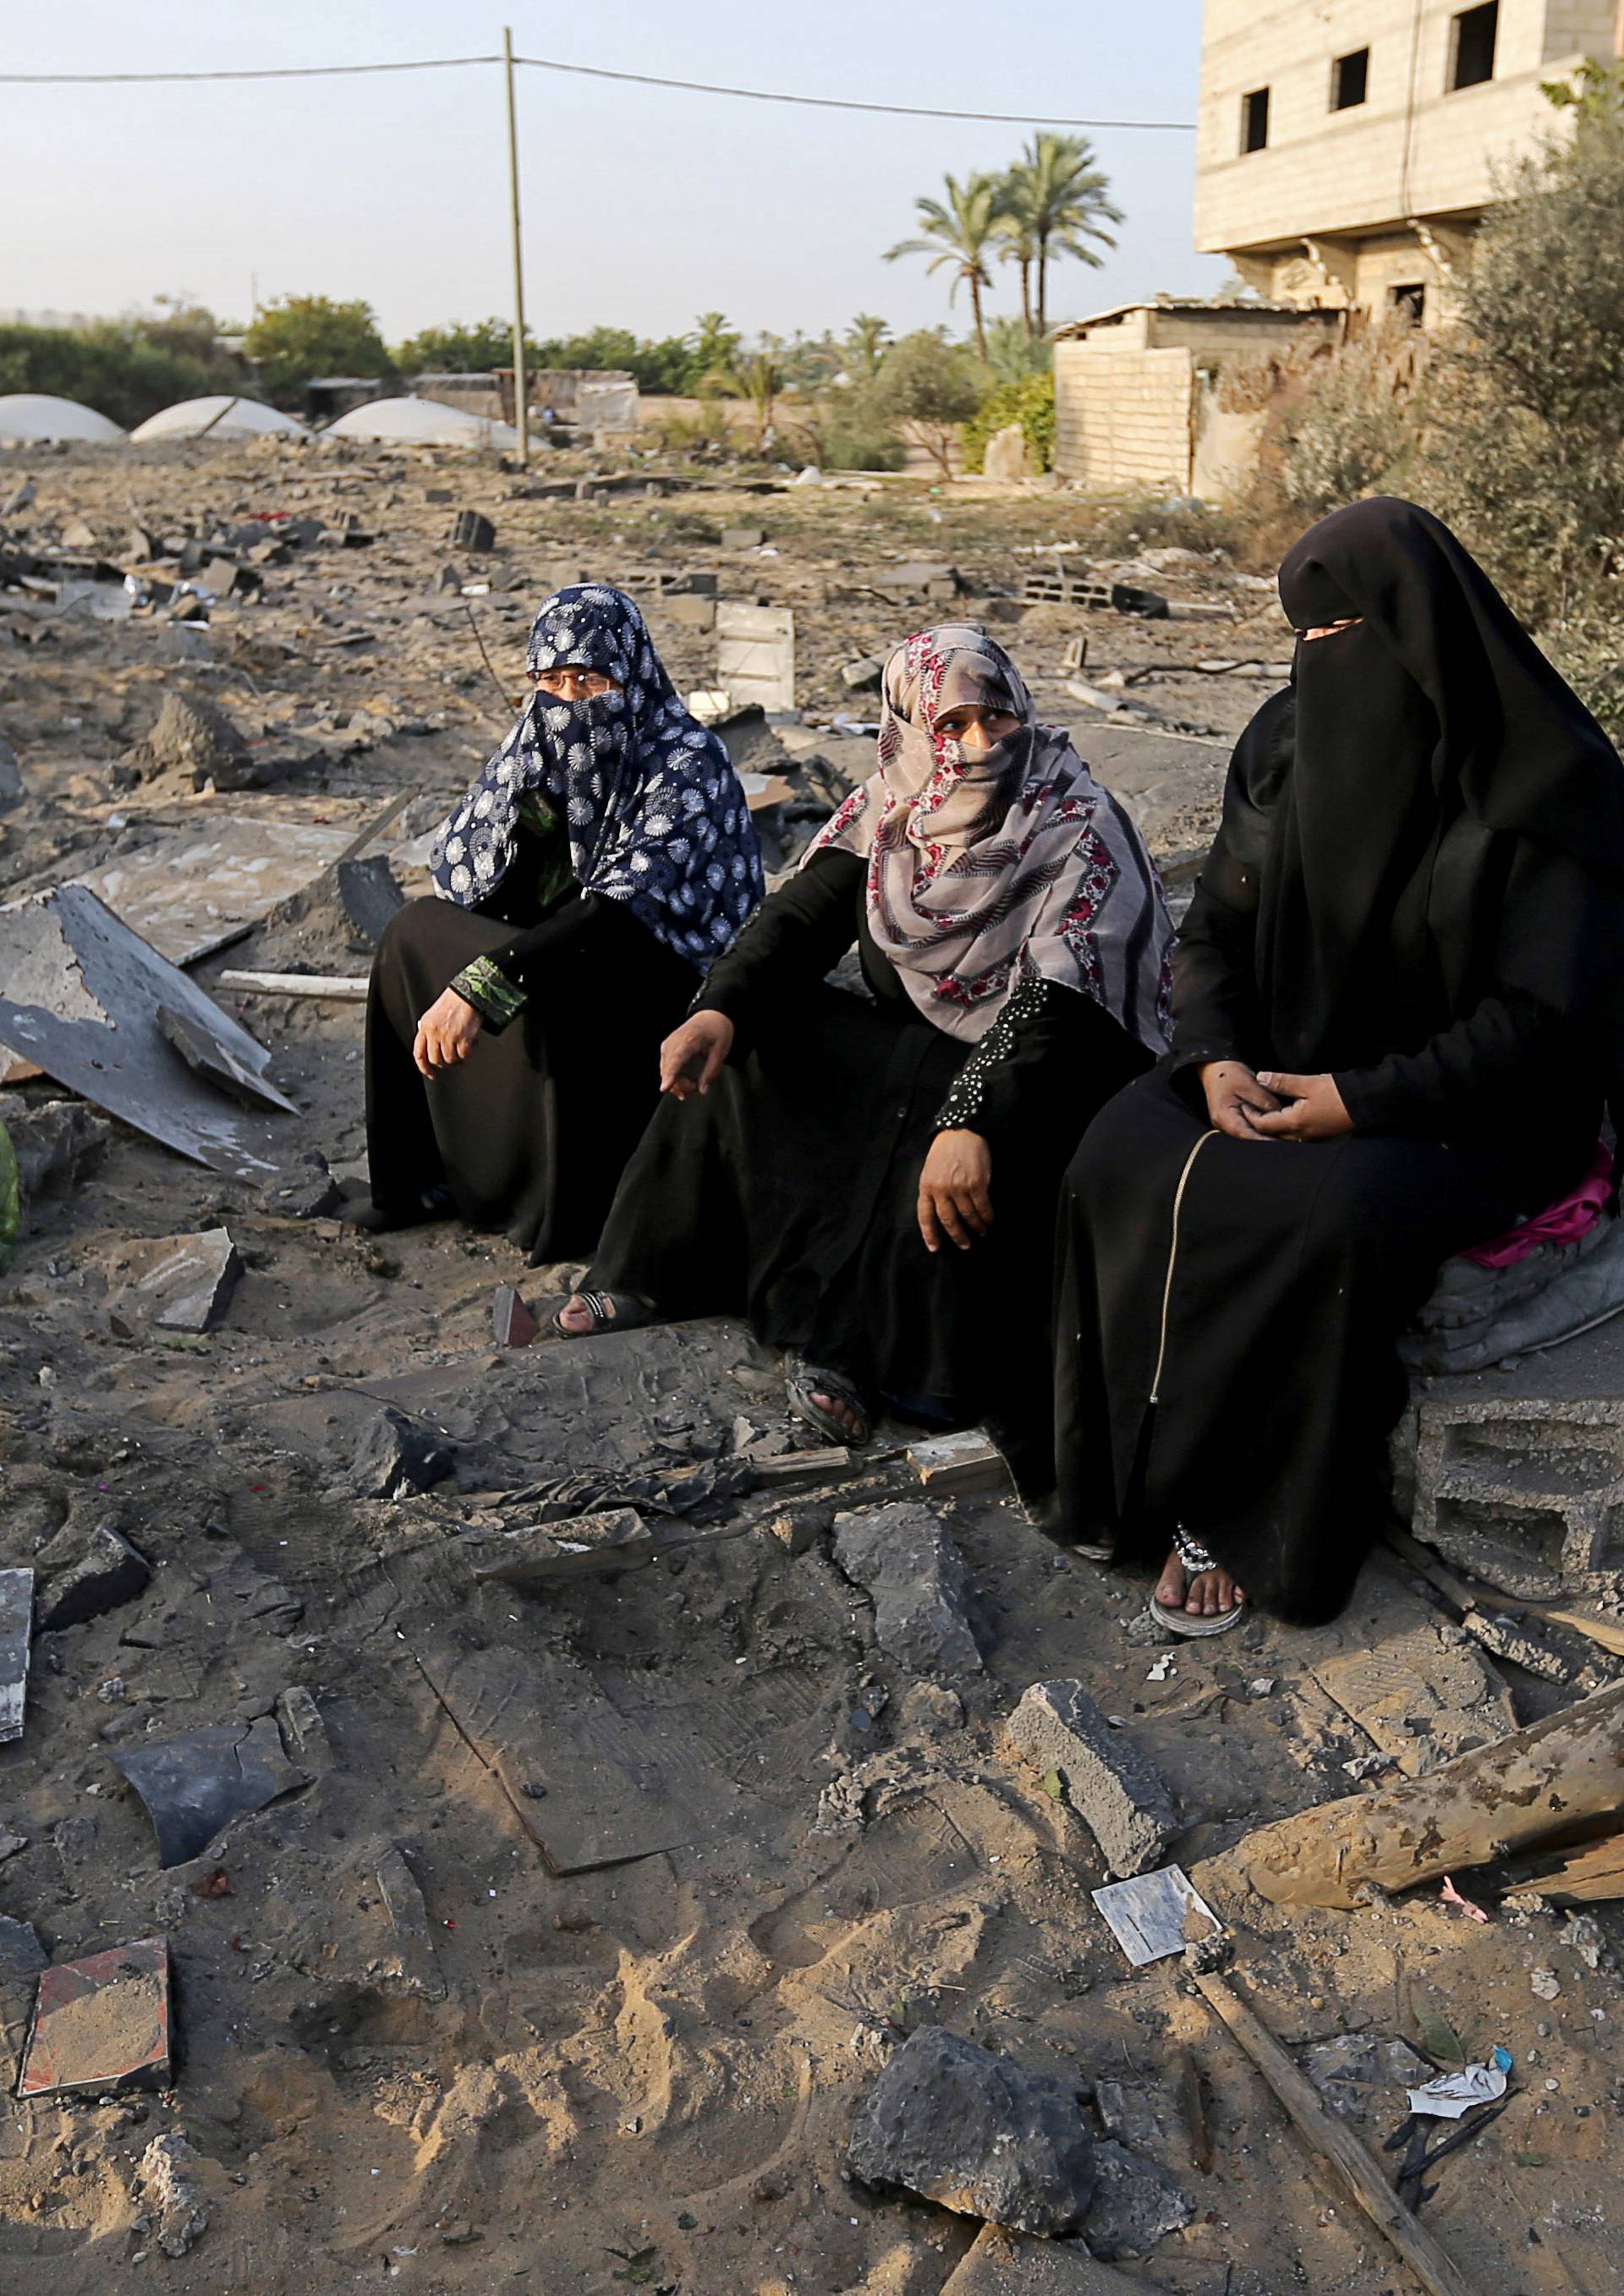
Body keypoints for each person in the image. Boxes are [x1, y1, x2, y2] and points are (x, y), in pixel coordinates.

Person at [1054, 497, 1624, 1636]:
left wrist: (1361, 1100)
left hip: (1482, 1105)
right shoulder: (1283, 742)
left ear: (1421, 630)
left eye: (1346, 634)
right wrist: (1216, 1057)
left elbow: (1541, 1021)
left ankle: (1244, 1513)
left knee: (1322, 1217)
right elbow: (1215, 926)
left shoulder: (1543, 785)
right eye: (1304, 640)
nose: (1324, 664)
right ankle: (1117, 1472)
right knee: (1118, 1149)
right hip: (1286, 1064)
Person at [557, 625, 1174, 1489]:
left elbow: (1060, 1006)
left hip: (1055, 1065)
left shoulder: (1073, 820)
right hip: (933, 1038)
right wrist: (719, 1008)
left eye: (995, 718)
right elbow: (802, 917)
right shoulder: (892, 805)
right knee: (757, 1039)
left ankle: (871, 1360)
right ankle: (657, 1270)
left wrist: (973, 1119)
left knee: (932, 1117)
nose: (981, 743)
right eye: (951, 725)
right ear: (913, 728)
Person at [354, 584, 764, 1258]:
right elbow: (470, 872)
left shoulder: (685, 761)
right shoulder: (535, 743)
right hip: (565, 950)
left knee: (547, 977)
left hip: (661, 986)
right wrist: (535, 812)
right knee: (414, 934)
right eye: (551, 680)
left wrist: (482, 985)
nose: (569, 701)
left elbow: (615, 913)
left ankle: (556, 1207)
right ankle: (421, 1182)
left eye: (589, 680)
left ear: (629, 675)